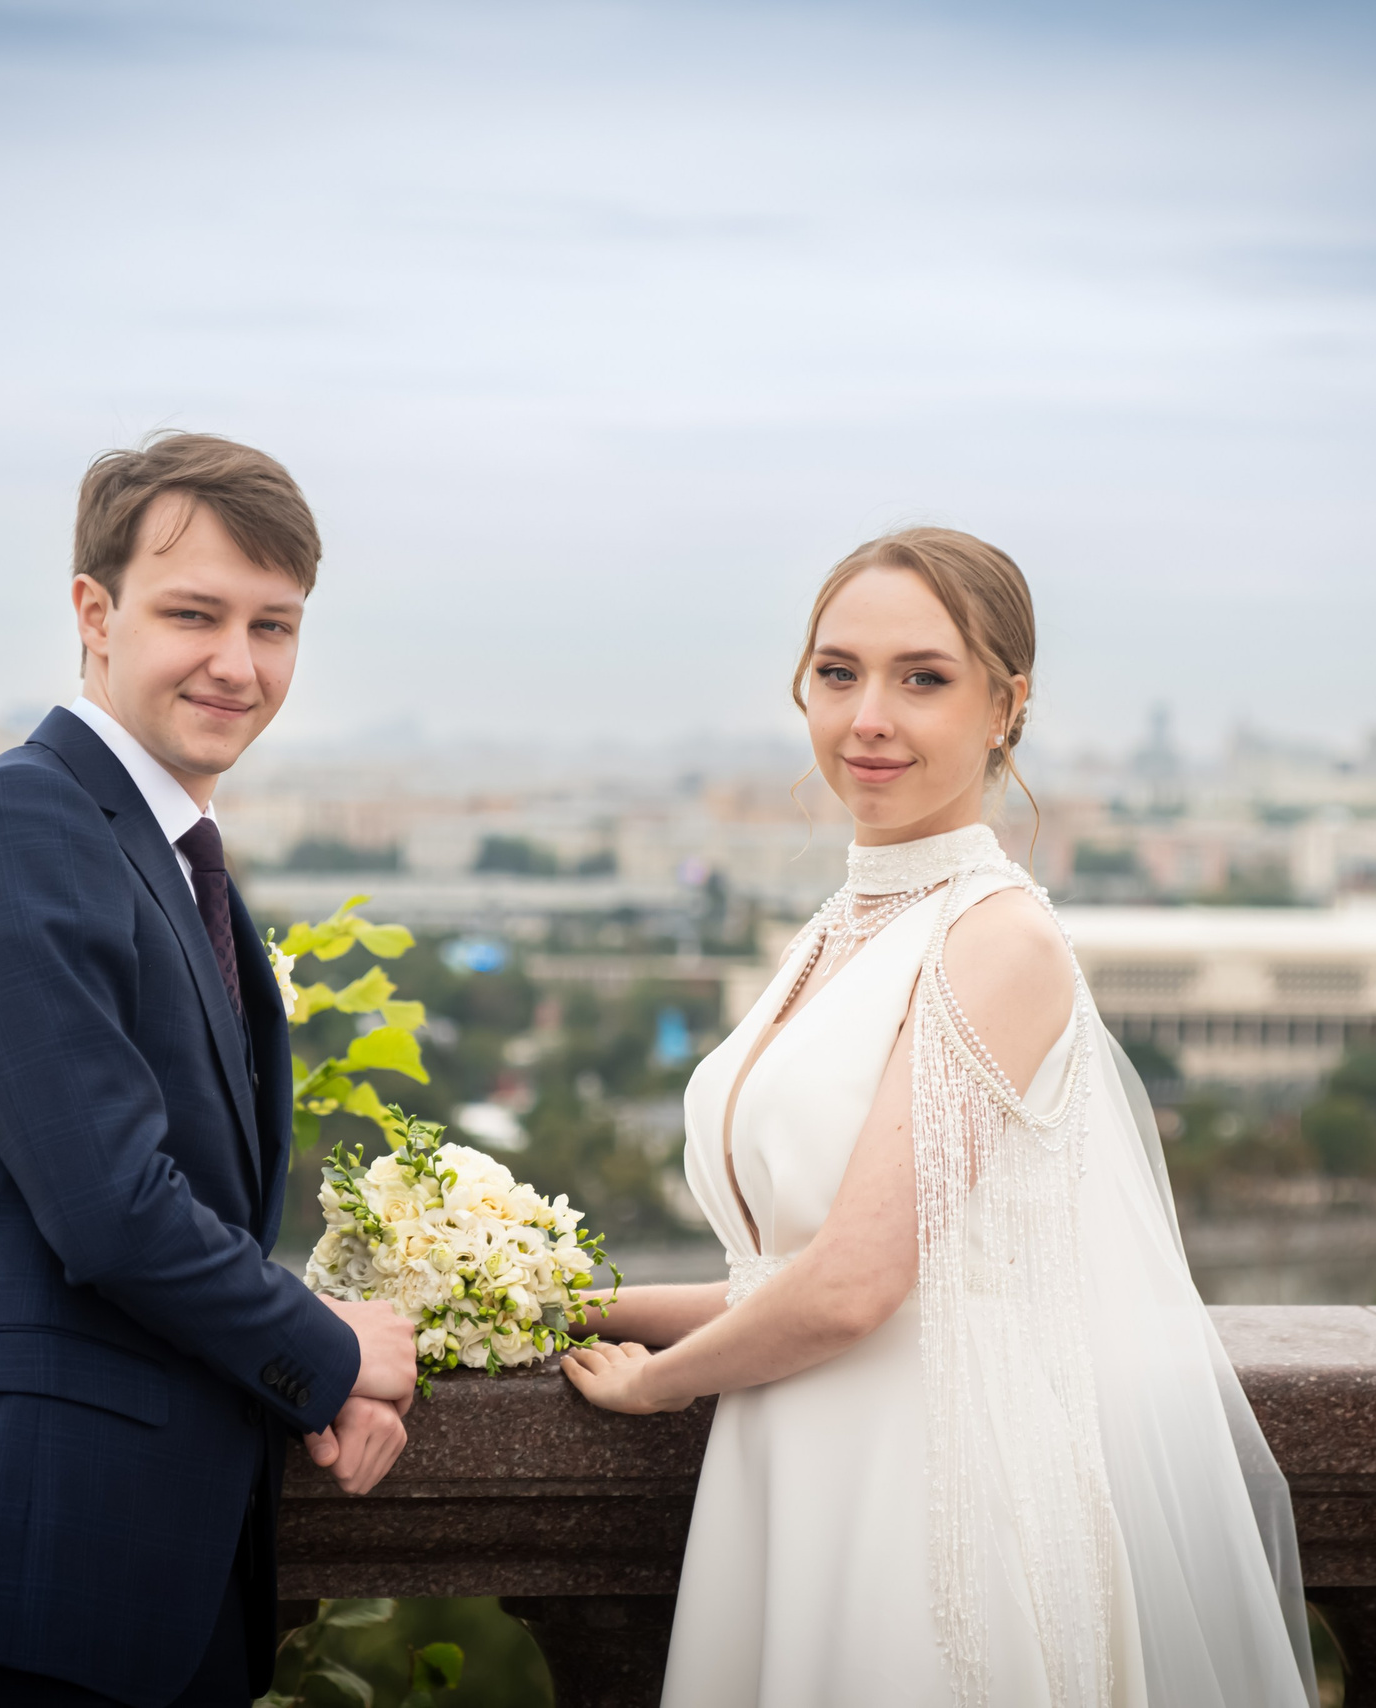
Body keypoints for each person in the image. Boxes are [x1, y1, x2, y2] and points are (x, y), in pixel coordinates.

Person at [564, 529, 1319, 1708]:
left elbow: (853, 1289)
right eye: (836, 673)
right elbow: (787, 1280)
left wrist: (653, 1386)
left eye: (923, 678)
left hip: (924, 1514)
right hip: (796, 1471)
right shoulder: (835, 929)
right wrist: (552, 1301)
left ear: (1005, 706)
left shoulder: (996, 940)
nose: (868, 716)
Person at [0, 433, 420, 1708]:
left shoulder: (157, 846)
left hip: (138, 1579)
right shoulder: (26, 823)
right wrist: (325, 1353)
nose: (239, 663)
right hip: (29, 1579)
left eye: (274, 626)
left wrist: (294, 1385)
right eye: (194, 614)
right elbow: (111, 1206)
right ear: (93, 615)